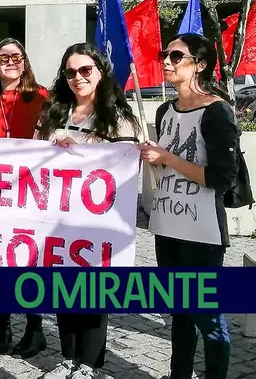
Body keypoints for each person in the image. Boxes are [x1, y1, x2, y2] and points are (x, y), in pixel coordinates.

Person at [35, 43, 140, 379]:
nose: (77, 78)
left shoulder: (118, 118)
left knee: (94, 291)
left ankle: (89, 364)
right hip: (59, 218)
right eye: (70, 72)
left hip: (100, 220)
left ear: (99, 72)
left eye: (84, 70)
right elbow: (32, 153)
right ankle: (68, 358)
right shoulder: (53, 112)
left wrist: (83, 149)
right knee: (65, 289)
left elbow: (125, 164)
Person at [140, 34, 235, 379]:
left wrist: (167, 157)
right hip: (167, 225)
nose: (166, 61)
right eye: (164, 54)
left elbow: (220, 178)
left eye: (176, 56)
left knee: (207, 315)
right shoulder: (165, 110)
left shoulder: (217, 111)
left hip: (202, 231)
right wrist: (153, 158)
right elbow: (165, 166)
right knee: (179, 311)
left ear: (200, 64)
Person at [0, 38, 49, 358]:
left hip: (33, 191)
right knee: (2, 260)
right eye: (3, 57)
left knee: (31, 260)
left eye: (16, 57)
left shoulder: (42, 96)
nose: (10, 62)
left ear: (25, 61)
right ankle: (2, 326)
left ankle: (35, 329)